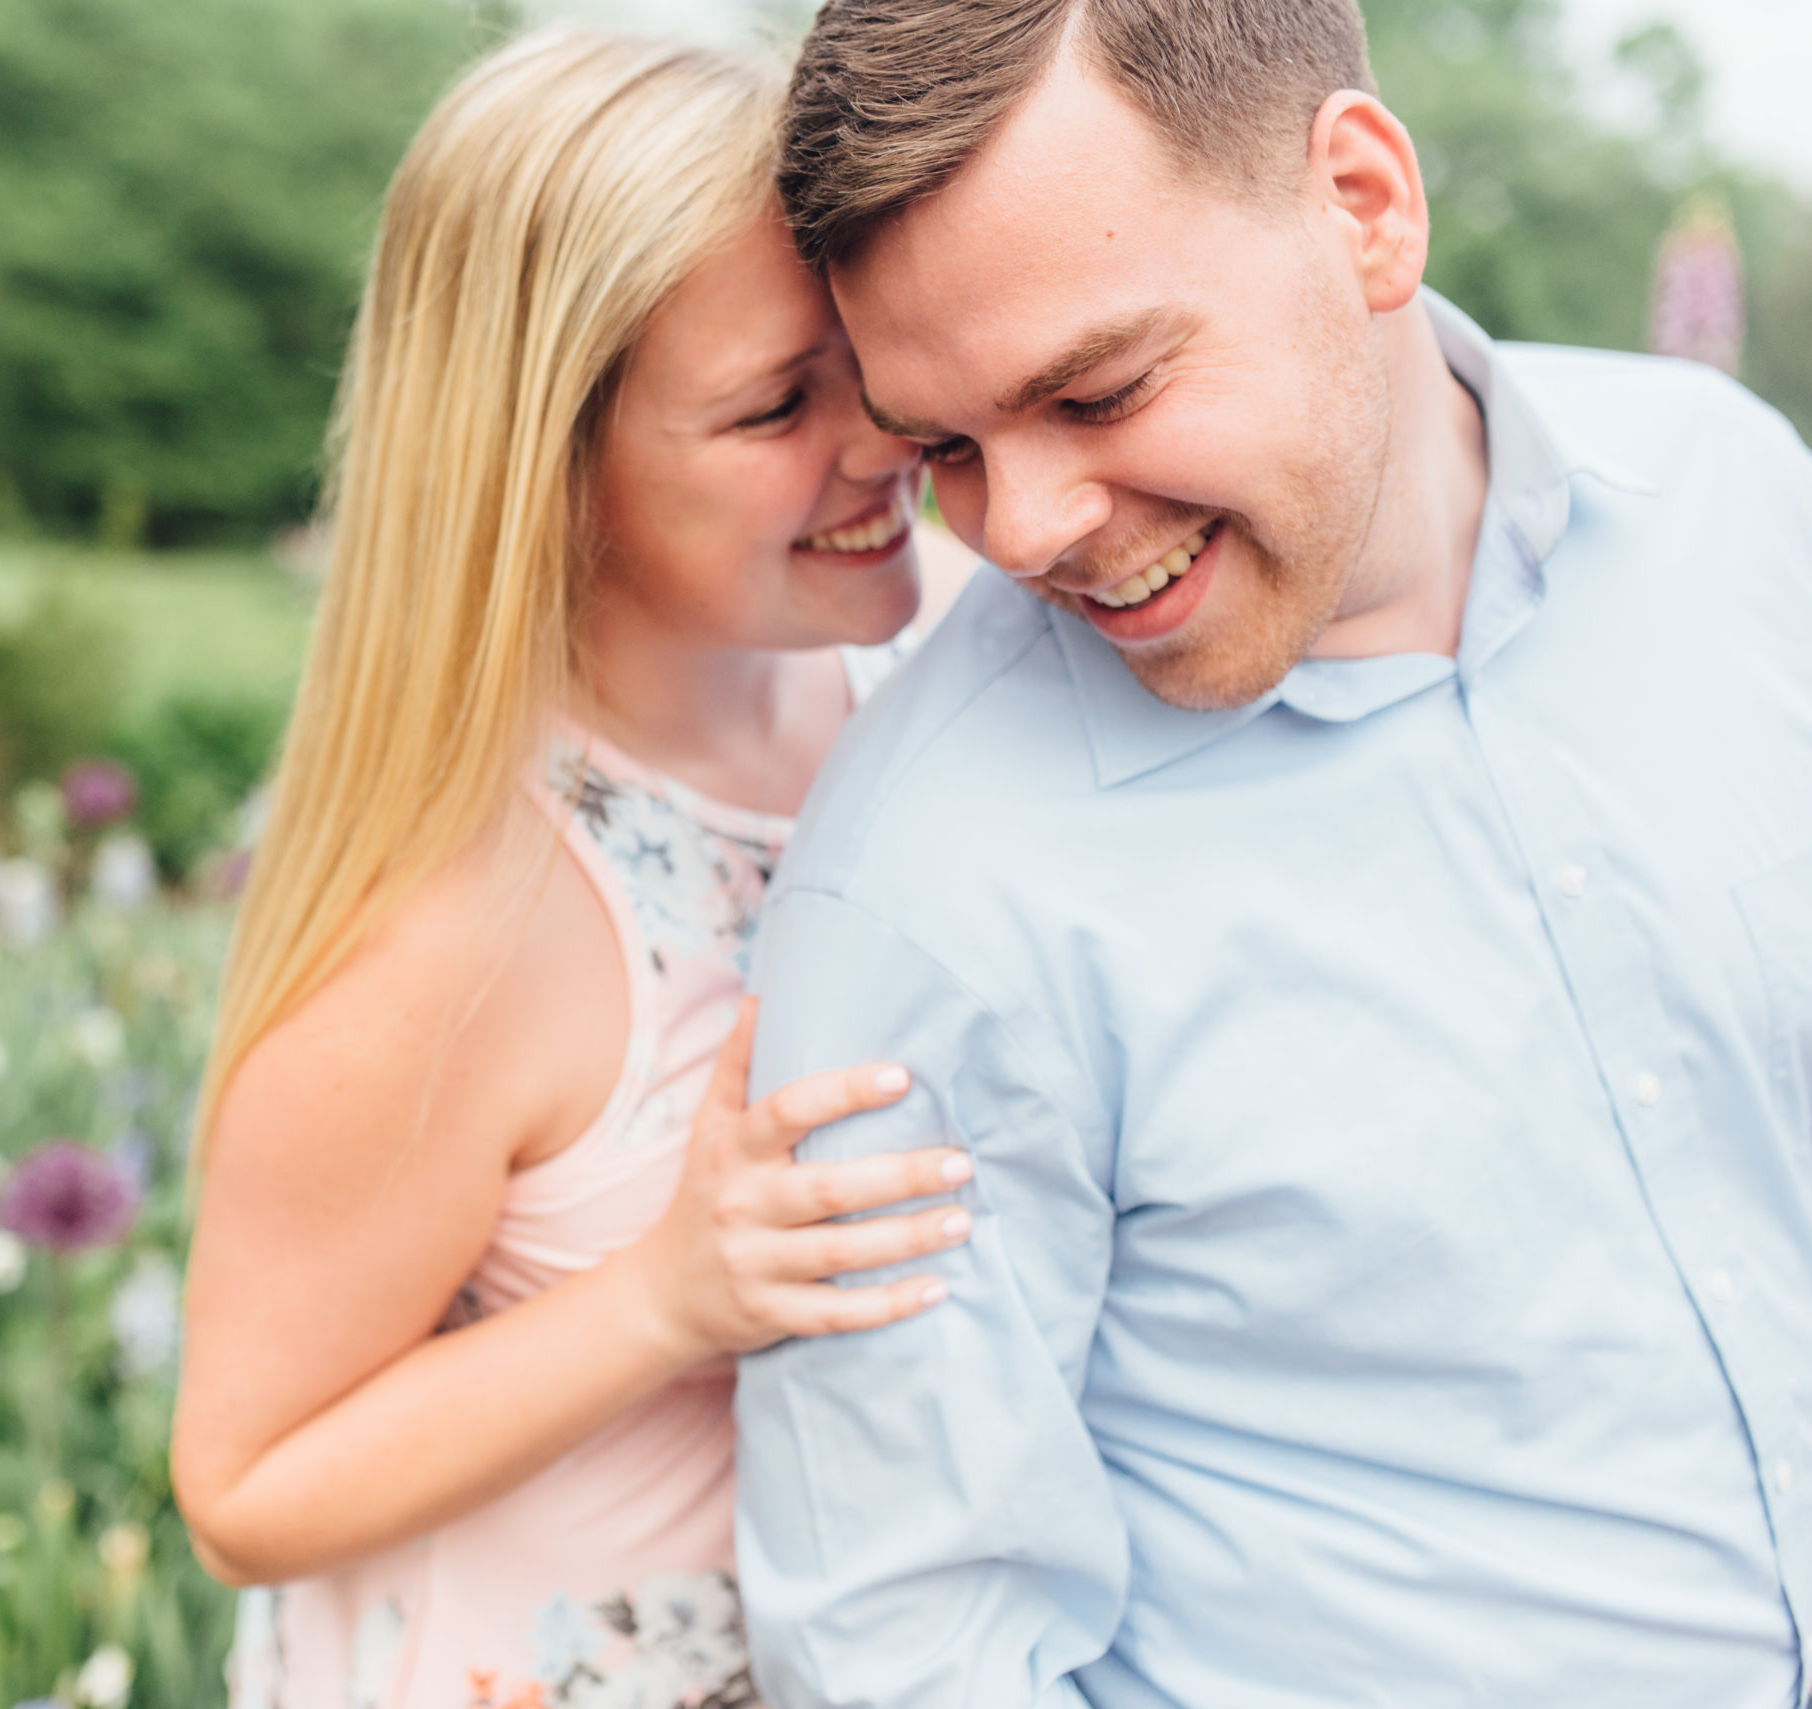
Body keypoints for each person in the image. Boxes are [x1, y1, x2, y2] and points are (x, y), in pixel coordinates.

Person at [735, 1, 1812, 1705]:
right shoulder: (931, 886)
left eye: (1095, 390)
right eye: (946, 445)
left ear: (1365, 202)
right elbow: (902, 1645)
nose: (1022, 531)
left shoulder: (1738, 501)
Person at [172, 30, 977, 1709]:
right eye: (776, 403)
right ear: (553, 467)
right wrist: (667, 1295)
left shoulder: (930, 679)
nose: (884, 437)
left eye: (867, 357)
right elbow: (245, 1489)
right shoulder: (460, 911)